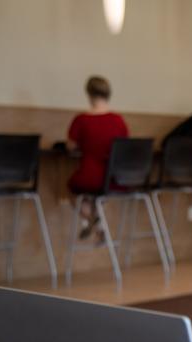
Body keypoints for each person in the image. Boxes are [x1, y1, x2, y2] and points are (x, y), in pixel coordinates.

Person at [66, 75, 128, 238]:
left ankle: (92, 220)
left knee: (73, 190)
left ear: (89, 94)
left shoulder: (82, 120)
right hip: (114, 178)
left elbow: (70, 146)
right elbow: (124, 146)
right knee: (97, 195)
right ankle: (98, 221)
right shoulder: (118, 120)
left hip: (89, 175)